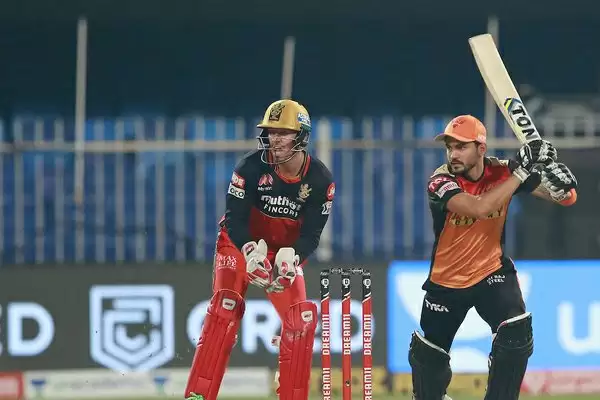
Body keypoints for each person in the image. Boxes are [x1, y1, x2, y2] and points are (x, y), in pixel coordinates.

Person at [409, 115, 578, 400]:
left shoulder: (503, 171)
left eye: (461, 147)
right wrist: (521, 173)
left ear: (481, 149)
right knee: (429, 359)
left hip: (491, 271)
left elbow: (566, 198)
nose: (453, 154)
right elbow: (479, 208)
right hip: (447, 281)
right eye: (450, 147)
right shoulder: (440, 181)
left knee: (516, 333)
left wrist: (556, 179)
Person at [184, 99, 335, 400]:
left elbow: (312, 235)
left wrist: (293, 257)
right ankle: (197, 396)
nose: (274, 139)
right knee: (225, 309)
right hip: (239, 245)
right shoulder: (250, 167)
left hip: (282, 253)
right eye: (271, 132)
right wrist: (250, 251)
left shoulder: (320, 179)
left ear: (301, 136)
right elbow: (235, 220)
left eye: (283, 132)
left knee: (300, 322)